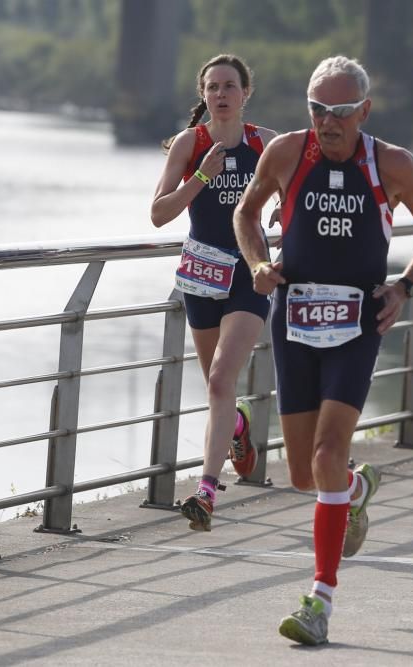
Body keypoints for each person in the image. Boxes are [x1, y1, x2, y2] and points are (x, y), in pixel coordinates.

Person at [233, 55, 413, 645]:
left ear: (364, 111)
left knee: (329, 453)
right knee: (306, 475)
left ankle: (319, 600)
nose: (328, 122)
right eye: (318, 109)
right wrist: (257, 264)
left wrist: (404, 288)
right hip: (295, 322)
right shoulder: (285, 154)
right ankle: (356, 490)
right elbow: (246, 213)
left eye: (341, 111)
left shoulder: (393, 165)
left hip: (357, 323)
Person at [150, 54, 277, 530]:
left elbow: (295, 192)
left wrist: (287, 211)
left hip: (248, 273)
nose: (221, 94)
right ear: (203, 95)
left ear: (246, 93)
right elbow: (159, 214)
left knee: (222, 380)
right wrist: (201, 173)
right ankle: (239, 427)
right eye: (213, 87)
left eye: (229, 86)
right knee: (217, 388)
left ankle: (205, 490)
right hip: (202, 276)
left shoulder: (267, 143)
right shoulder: (190, 143)